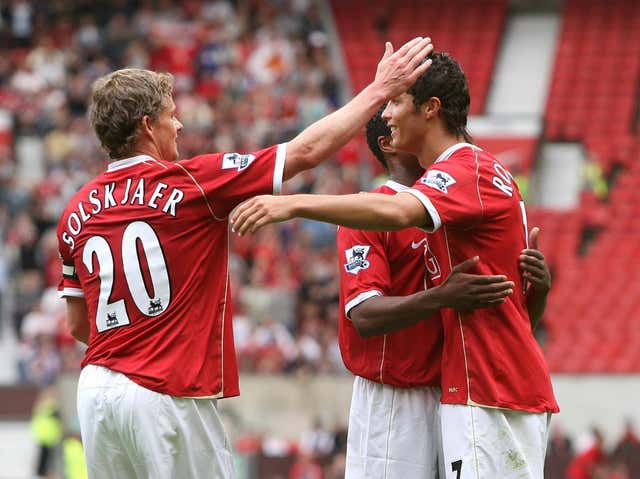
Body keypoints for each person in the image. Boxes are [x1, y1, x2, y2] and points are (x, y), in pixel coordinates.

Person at [56, 37, 434, 478]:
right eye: (170, 115)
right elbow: (305, 153)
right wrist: (378, 91)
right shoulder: (191, 183)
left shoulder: (75, 210)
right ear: (146, 126)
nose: (178, 126)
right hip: (164, 391)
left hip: (96, 391)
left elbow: (78, 324)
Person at [231, 52, 559, 479]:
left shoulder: (464, 172)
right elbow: (506, 308)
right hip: (431, 391)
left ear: (430, 108)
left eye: (396, 102)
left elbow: (401, 213)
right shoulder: (457, 184)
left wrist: (292, 203)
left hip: (485, 389)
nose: (387, 112)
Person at [338, 108, 552, 479]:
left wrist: (539, 291)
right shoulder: (369, 214)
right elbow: (364, 317)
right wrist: (441, 296)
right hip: (395, 398)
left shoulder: (461, 206)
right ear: (389, 143)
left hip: (456, 390)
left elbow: (504, 317)